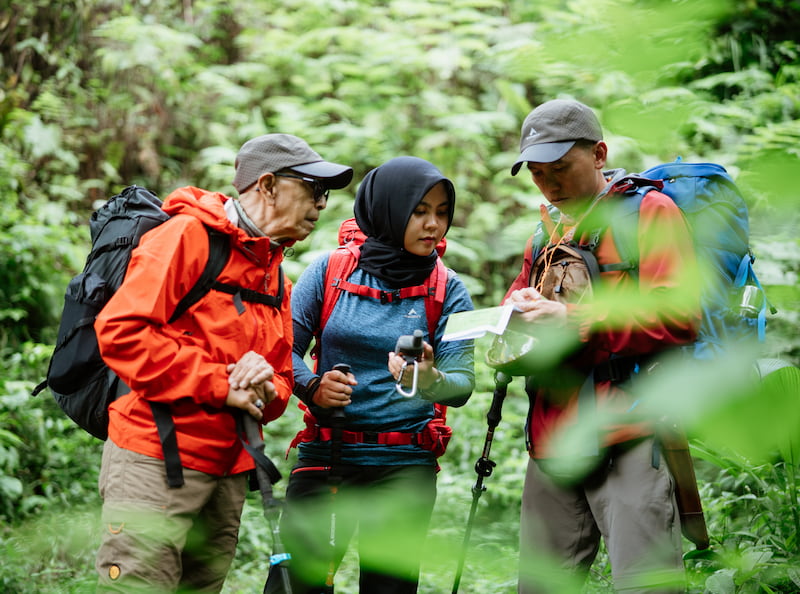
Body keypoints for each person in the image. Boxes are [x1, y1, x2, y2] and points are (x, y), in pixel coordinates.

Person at [93, 133, 353, 592]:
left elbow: (280, 386)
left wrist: (266, 388)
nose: (321, 204)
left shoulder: (276, 278)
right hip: (154, 460)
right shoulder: (185, 237)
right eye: (313, 190)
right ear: (268, 185)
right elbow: (122, 332)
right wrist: (221, 383)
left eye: (324, 194)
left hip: (229, 470)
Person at [503, 99, 701, 593]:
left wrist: (575, 320)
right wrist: (515, 314)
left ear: (598, 154)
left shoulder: (650, 212)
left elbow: (678, 316)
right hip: (552, 437)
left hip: (628, 430)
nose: (549, 184)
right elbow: (519, 302)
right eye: (537, 173)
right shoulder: (546, 231)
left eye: (561, 168)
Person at [282, 156, 475, 593]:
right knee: (298, 585)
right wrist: (313, 387)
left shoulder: (449, 288)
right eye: (420, 211)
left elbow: (462, 382)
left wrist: (431, 380)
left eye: (442, 213)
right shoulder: (330, 271)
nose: (433, 224)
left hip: (404, 465)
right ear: (388, 209)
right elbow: (282, 351)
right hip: (327, 454)